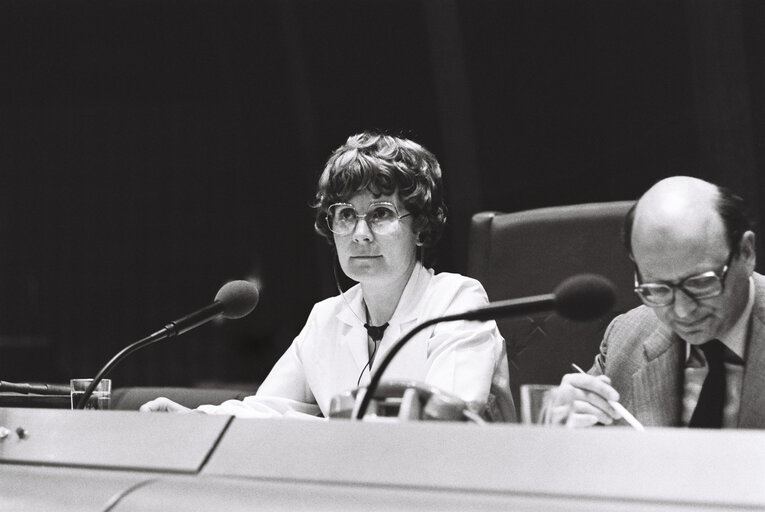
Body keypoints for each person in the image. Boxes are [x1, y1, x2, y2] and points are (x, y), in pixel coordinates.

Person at [141, 131, 511, 419]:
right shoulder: (327, 318)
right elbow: (266, 410)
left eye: (381, 213)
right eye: (346, 215)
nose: (361, 233)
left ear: (420, 228)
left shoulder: (457, 300)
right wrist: (192, 419)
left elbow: (440, 423)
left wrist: (318, 429)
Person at [550, 176, 765, 428]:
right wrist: (562, 433)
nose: (683, 311)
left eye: (700, 283)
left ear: (746, 252)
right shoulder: (627, 337)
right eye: (658, 288)